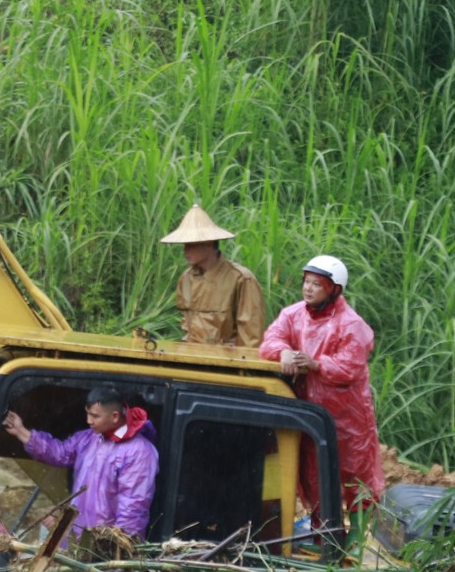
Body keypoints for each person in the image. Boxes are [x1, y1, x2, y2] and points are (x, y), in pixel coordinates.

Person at [259, 254, 386, 513]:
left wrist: (315, 364)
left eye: (316, 284)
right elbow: (271, 339)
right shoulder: (293, 315)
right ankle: (322, 536)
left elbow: (350, 367)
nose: (308, 288)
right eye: (306, 282)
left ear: (334, 289)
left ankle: (356, 539)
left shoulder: (351, 324)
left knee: (355, 476)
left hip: (347, 418)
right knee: (313, 474)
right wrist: (283, 351)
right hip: (311, 413)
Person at [2, 387, 159, 540]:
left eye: (95, 416)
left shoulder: (140, 452)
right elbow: (60, 453)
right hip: (78, 539)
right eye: (87, 414)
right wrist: (21, 431)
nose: (88, 421)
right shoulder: (90, 438)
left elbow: (133, 507)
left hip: (104, 547)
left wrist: (121, 551)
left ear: (115, 416)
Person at [160, 205, 266, 348]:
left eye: (191, 244)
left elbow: (251, 335)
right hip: (192, 355)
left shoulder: (241, 279)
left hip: (226, 361)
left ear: (208, 243)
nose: (186, 251)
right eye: (184, 245)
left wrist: (242, 365)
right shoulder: (186, 278)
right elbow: (187, 321)